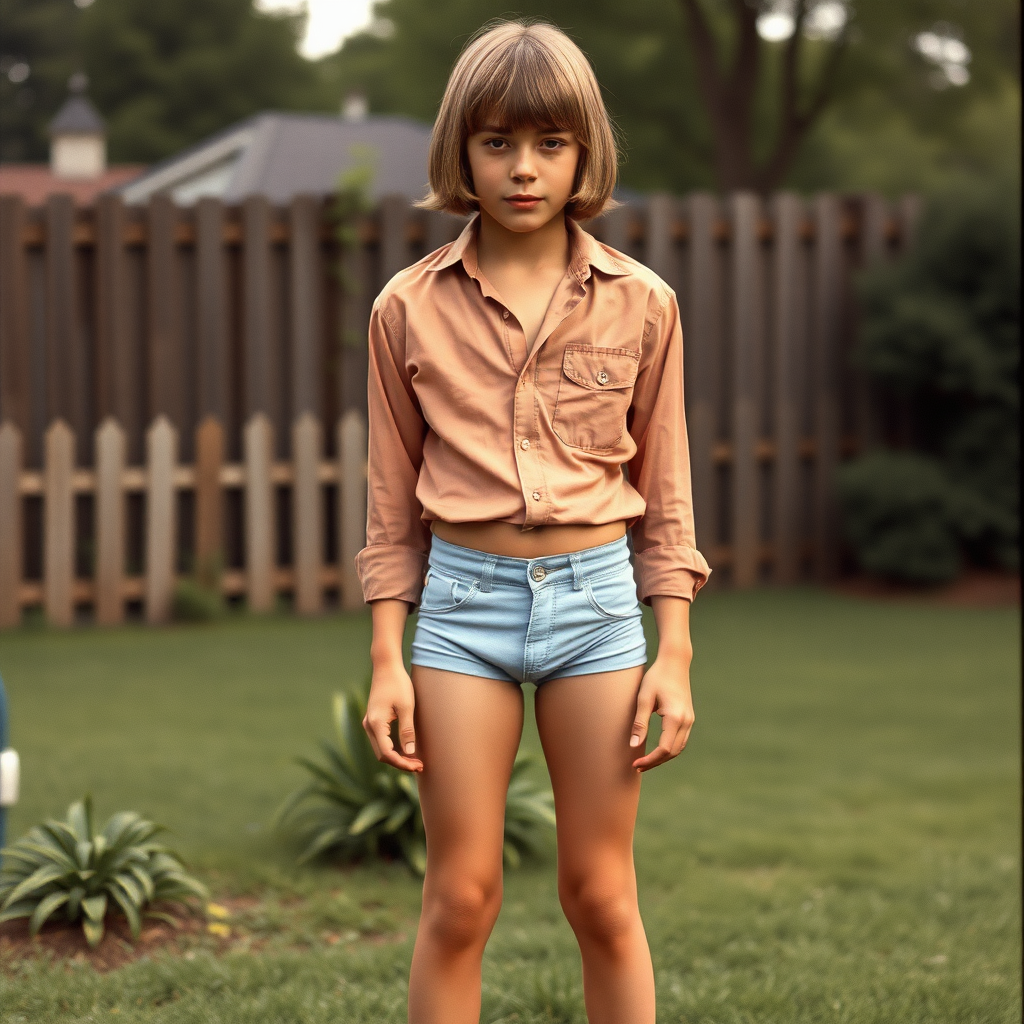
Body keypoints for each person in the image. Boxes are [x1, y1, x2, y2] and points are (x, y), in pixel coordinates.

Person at [356, 19, 711, 1024]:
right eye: (498, 142)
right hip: (462, 610)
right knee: (459, 897)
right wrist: (388, 656)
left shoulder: (643, 304)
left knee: (600, 895)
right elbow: (391, 506)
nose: (523, 169)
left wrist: (672, 649)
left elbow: (668, 492)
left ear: (584, 151)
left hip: (598, 608)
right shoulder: (406, 308)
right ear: (460, 152)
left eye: (550, 144)